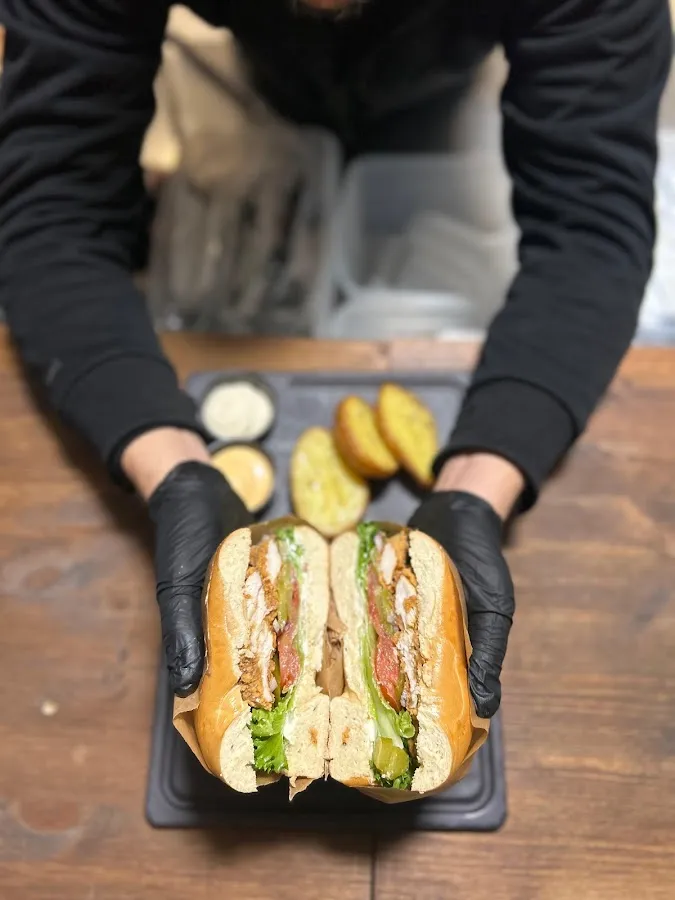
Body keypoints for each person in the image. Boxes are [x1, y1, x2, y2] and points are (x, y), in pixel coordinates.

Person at [0, 1, 670, 722]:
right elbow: (53, 215)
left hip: (451, 69)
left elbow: (590, 231)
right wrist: (172, 470)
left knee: (426, 116)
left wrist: (478, 486)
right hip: (263, 79)